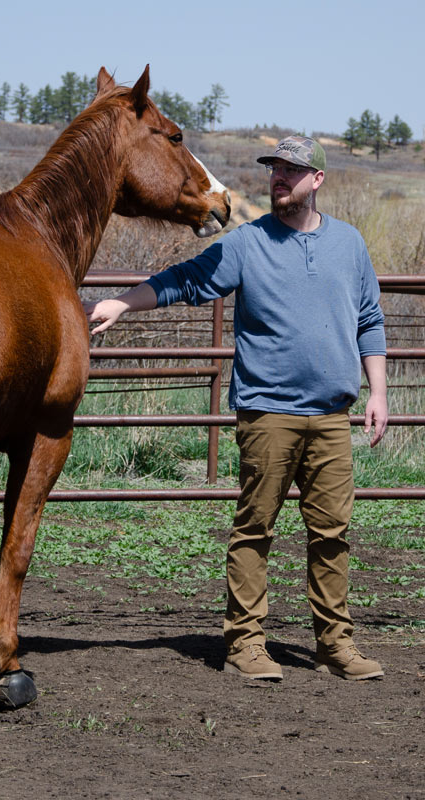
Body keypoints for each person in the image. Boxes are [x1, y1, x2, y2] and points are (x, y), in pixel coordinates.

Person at [84, 136, 388, 682]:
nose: (278, 178)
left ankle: (336, 645)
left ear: (316, 179)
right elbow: (189, 280)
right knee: (256, 528)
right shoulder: (248, 244)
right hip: (268, 412)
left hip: (331, 417)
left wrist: (380, 393)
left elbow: (370, 320)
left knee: (332, 534)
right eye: (274, 169)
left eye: (291, 171)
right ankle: (245, 644)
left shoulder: (350, 244)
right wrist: (123, 303)